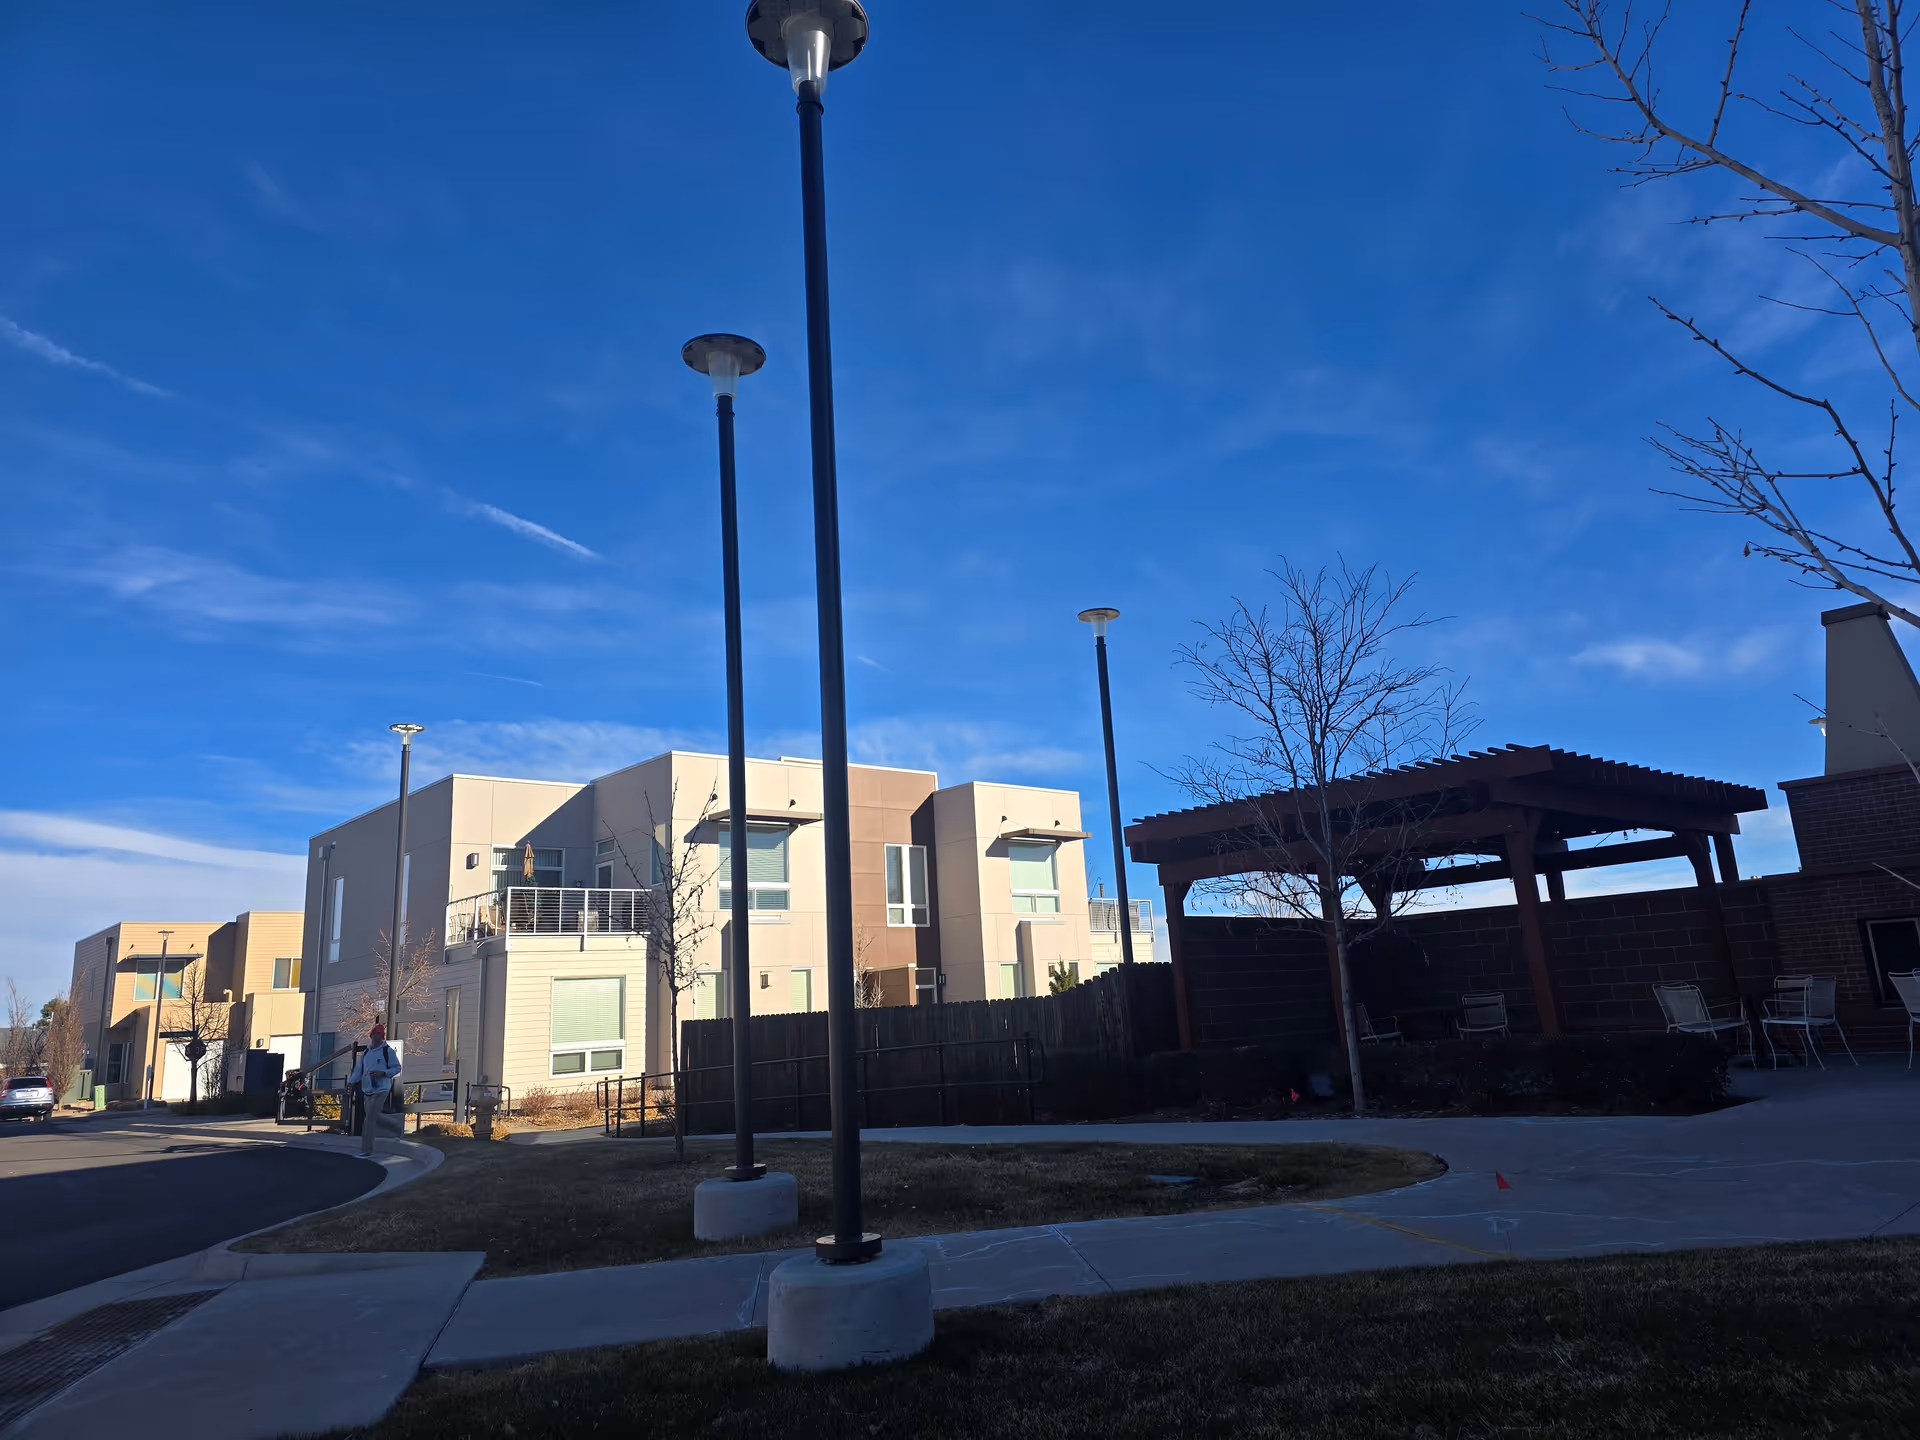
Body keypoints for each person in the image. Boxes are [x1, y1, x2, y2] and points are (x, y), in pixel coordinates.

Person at [348, 1023, 404, 1156]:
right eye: (374, 1034)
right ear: (371, 1035)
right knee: (374, 1116)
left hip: (382, 1088)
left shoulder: (387, 1051)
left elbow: (396, 1068)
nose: (376, 1037)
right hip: (368, 1088)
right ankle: (396, 1127)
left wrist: (383, 1073)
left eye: (379, 1034)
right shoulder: (366, 1052)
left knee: (369, 1120)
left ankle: (366, 1150)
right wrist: (351, 1082)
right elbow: (359, 1070)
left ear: (382, 1037)